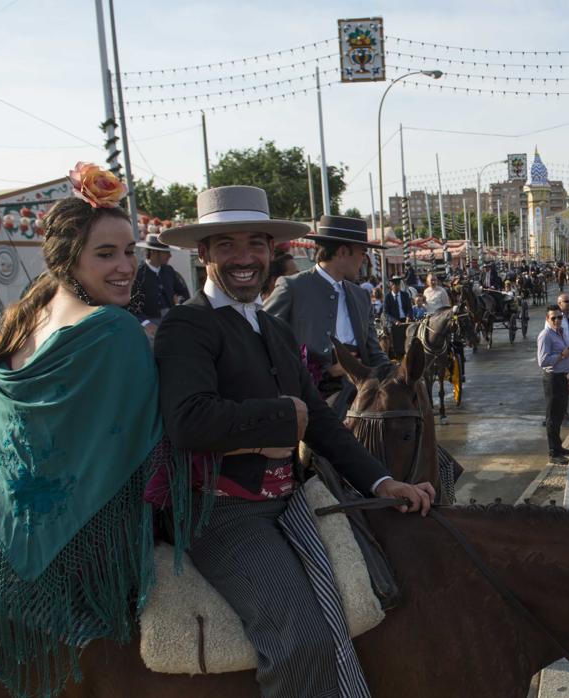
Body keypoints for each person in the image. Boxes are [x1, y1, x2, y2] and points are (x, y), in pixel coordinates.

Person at [155, 185, 432, 697]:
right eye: (227, 245)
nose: (244, 258)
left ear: (271, 251)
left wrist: (384, 479)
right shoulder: (187, 325)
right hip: (223, 512)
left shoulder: (273, 331)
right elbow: (189, 421)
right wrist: (285, 416)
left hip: (288, 498)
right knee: (300, 640)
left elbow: (324, 428)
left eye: (256, 244)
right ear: (203, 253)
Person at [0, 166, 201, 697]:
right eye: (105, 254)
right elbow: (161, 436)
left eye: (130, 251)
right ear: (69, 259)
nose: (125, 266)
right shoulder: (113, 329)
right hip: (83, 550)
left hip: (5, 526)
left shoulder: (28, 314)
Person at [264, 214, 390, 402]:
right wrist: (328, 372)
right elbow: (265, 341)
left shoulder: (361, 295)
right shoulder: (293, 287)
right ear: (342, 252)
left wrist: (401, 372)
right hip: (313, 394)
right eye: (362, 253)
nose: (365, 260)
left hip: (362, 391)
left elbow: (373, 351)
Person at [537, 304, 569, 464]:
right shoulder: (545, 335)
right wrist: (561, 355)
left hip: (562, 377)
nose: (557, 320)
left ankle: (558, 446)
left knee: (560, 413)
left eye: (559, 317)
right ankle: (553, 452)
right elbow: (543, 360)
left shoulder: (559, 333)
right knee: (552, 416)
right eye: (553, 318)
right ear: (548, 319)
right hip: (552, 378)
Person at [133, 233, 191, 321]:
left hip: (170, 318)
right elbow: (133, 304)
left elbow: (183, 292)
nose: (170, 256)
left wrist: (179, 303)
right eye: (166, 252)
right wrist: (145, 323)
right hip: (148, 322)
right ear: (153, 252)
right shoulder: (138, 274)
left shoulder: (169, 270)